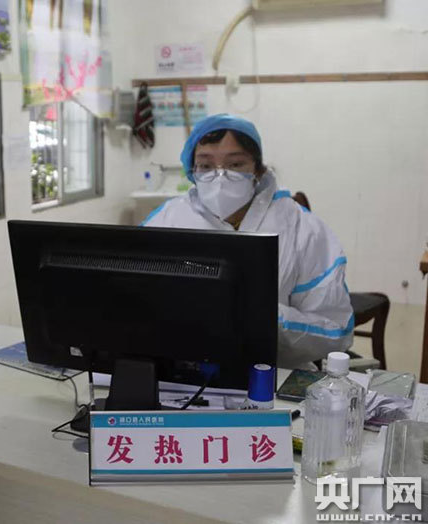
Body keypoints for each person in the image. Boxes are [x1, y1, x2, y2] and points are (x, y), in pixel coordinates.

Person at [142, 114, 353, 369]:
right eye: (206, 166)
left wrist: (265, 316)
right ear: (191, 171)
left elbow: (335, 329)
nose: (220, 177)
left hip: (276, 374)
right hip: (182, 374)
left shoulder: (301, 228)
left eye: (235, 164)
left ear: (258, 170)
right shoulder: (168, 220)